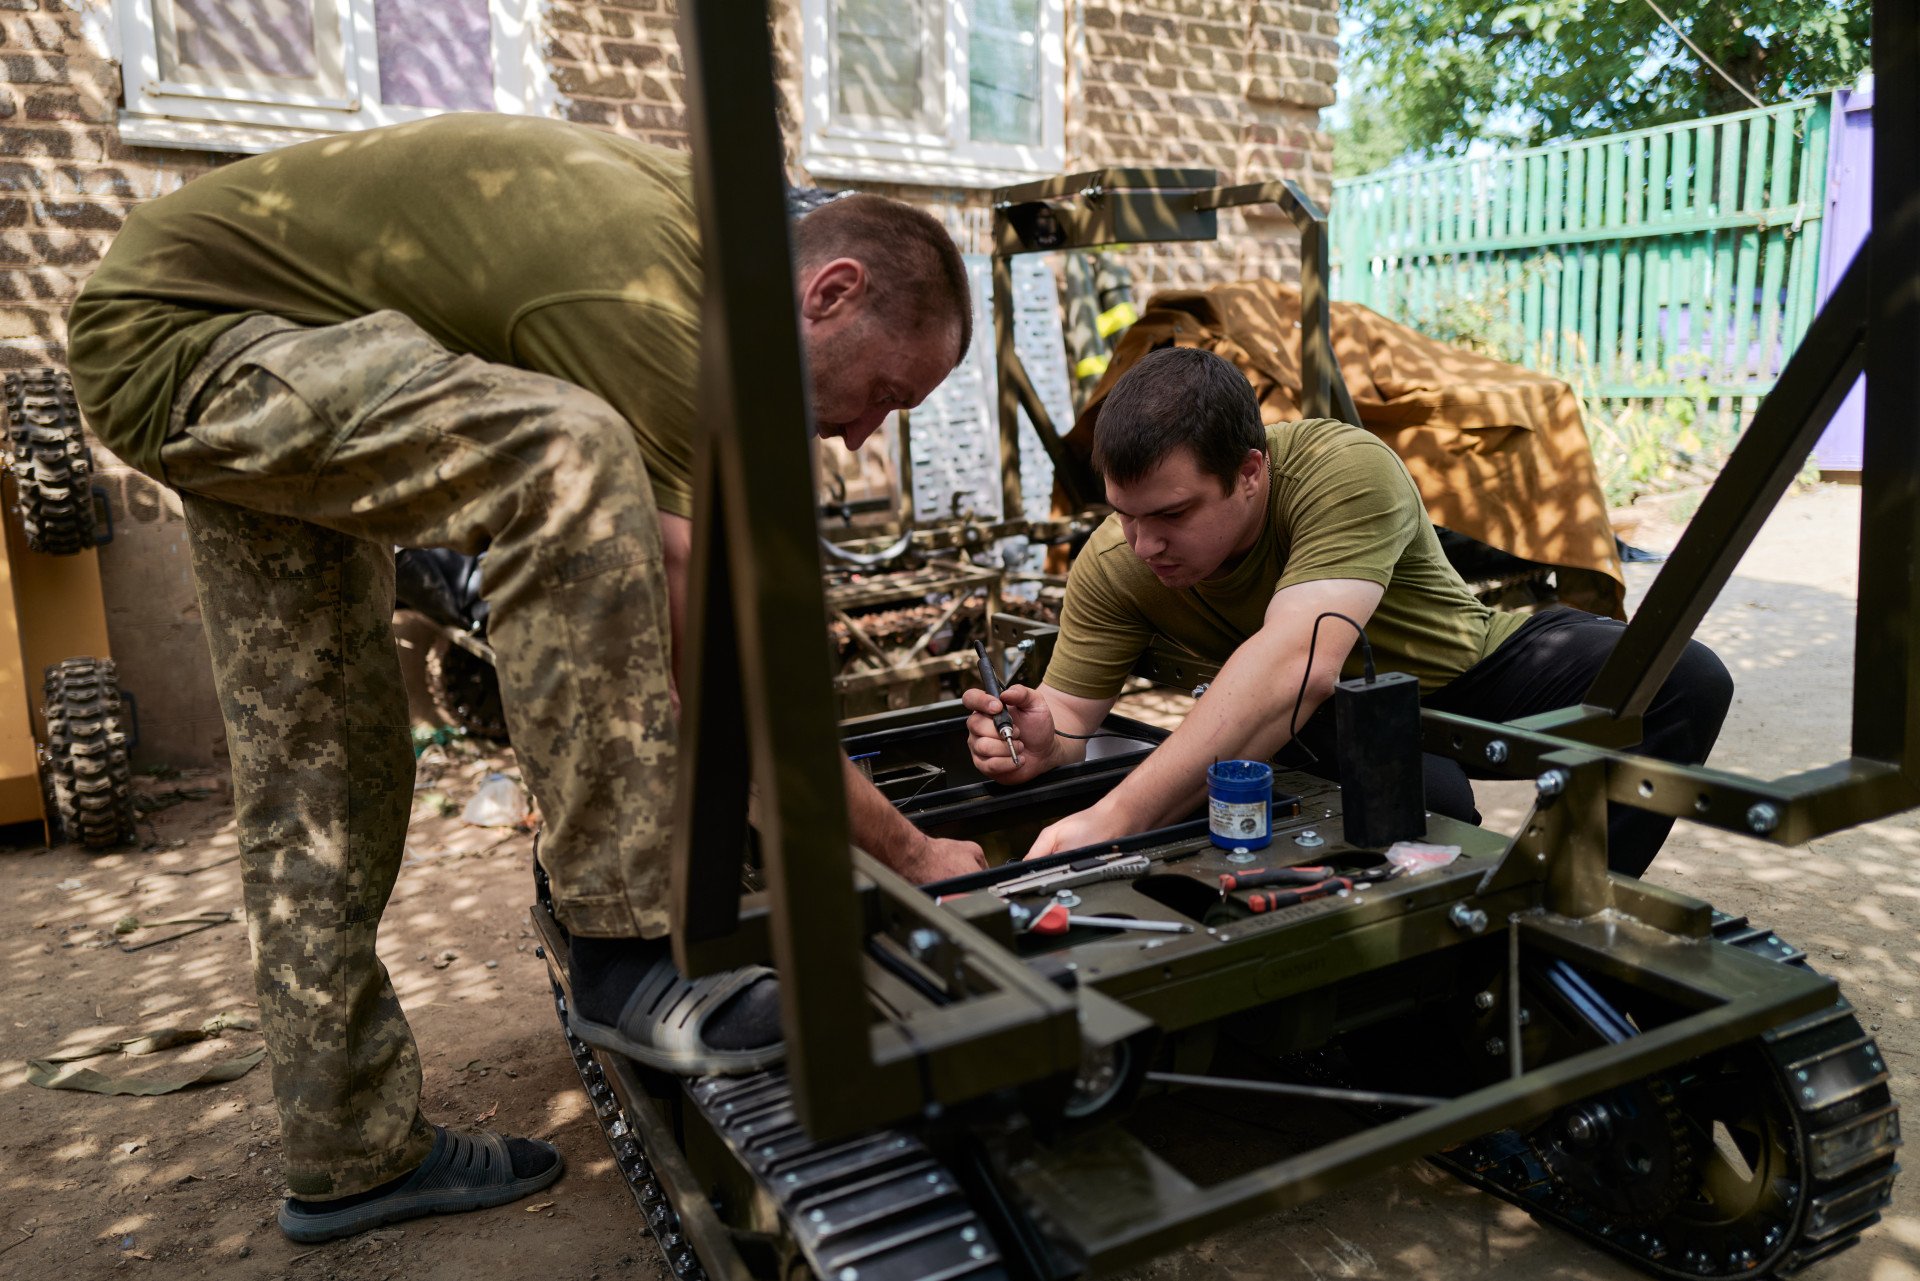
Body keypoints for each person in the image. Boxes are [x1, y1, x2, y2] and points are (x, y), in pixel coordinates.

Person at [66, 113, 983, 1243]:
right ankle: (624, 951)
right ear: (829, 292)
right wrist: (906, 850)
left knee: (325, 762)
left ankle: (348, 1150)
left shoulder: (708, 263)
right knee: (570, 457)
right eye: (885, 394)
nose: (862, 440)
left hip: (248, 347)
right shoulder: (653, 306)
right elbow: (709, 655)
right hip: (198, 341)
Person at [962, 346, 1731, 873]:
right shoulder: (1117, 555)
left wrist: (1116, 818)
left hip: (1462, 671)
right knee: (1424, 807)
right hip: (1320, 720)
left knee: (1679, 677)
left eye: (1171, 515)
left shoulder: (1341, 468)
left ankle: (1560, 896)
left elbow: (1299, 657)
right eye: (1124, 515)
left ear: (1251, 472)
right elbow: (1067, 715)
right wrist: (1040, 740)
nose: (1143, 544)